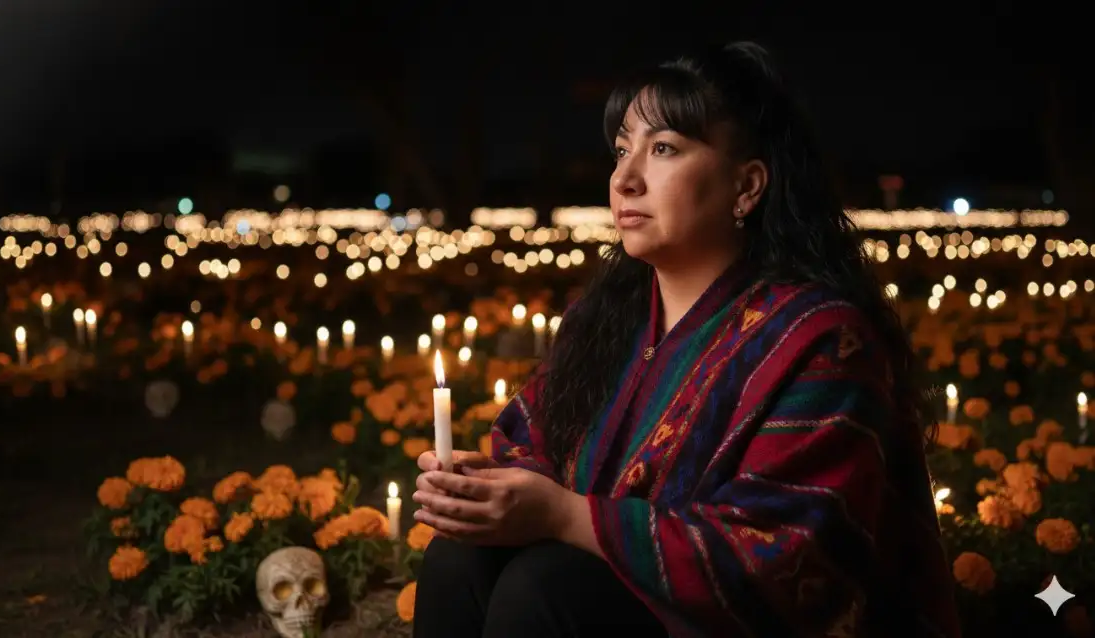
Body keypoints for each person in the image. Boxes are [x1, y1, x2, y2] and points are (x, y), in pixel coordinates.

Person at [410, 41, 962, 638]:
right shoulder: (604, 320)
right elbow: (533, 444)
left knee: (545, 588)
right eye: (622, 150)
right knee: (457, 559)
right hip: (599, 594)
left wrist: (564, 515)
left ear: (746, 187)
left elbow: (783, 560)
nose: (625, 179)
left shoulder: (818, 341)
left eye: (664, 149)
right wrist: (484, 491)